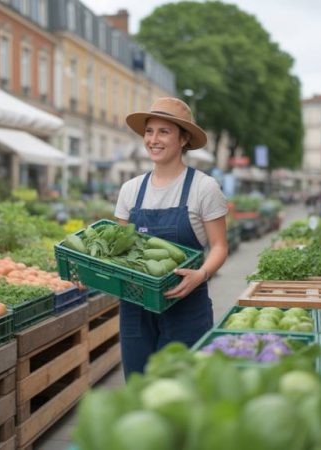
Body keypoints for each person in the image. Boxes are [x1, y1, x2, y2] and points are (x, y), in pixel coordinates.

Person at [115, 97, 229, 377]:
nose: (153, 139)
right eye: (149, 131)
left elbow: (219, 246)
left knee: (184, 393)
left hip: (186, 307)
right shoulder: (130, 190)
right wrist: (90, 274)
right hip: (136, 308)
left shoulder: (204, 188)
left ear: (184, 139)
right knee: (140, 393)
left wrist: (201, 275)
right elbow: (117, 250)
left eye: (164, 132)